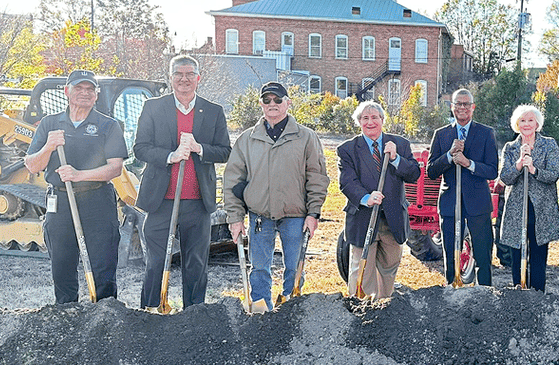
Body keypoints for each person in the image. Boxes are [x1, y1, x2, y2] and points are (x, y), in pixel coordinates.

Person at [133, 55, 231, 309]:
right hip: (160, 200)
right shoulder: (153, 107)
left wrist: (199, 148)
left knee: (195, 262)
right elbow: (140, 148)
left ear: (198, 78)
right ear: (171, 78)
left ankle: (193, 313)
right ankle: (151, 310)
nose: (184, 79)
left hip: (198, 201)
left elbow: (225, 151)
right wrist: (171, 156)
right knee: (156, 261)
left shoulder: (213, 111)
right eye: (178, 74)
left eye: (189, 74)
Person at [24, 69, 127, 303]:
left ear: (96, 95)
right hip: (60, 202)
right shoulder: (49, 124)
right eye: (79, 88)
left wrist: (79, 175)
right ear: (66, 91)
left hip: (97, 200)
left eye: (90, 89)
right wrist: (49, 146)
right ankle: (66, 312)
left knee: (103, 264)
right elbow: (31, 165)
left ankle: (104, 313)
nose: (85, 93)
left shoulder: (108, 125)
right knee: (61, 264)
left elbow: (115, 168)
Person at [223, 82, 329, 306]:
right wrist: (235, 218)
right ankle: (261, 308)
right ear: (261, 104)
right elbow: (233, 181)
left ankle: (291, 307)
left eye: (278, 99)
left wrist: (314, 213)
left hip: (296, 216)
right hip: (259, 216)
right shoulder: (247, 139)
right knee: (259, 268)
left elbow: (317, 178)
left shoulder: (306, 137)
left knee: (295, 267)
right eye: (267, 100)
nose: (272, 104)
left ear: (288, 103)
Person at [337, 100, 421, 298]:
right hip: (363, 218)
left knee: (389, 269)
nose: (370, 122)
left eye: (374, 117)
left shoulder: (400, 144)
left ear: (382, 120)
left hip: (393, 219)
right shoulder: (347, 149)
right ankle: (361, 308)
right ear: (359, 122)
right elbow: (347, 182)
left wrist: (395, 159)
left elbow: (414, 174)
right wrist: (366, 197)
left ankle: (384, 307)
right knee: (362, 269)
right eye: (365, 118)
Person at [426, 88, 498, 285]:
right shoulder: (441, 134)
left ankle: (484, 293)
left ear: (473, 107)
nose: (462, 107)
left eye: (466, 104)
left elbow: (492, 171)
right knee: (451, 255)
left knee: (482, 255)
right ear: (452, 107)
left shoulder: (486, 133)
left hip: (478, 203)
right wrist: (449, 156)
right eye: (458, 103)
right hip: (450, 203)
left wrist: (469, 164)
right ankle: (452, 291)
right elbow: (431, 171)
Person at [498, 104, 559, 292]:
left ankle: (537, 295)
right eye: (522, 120)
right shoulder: (510, 148)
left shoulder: (549, 144)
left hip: (541, 210)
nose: (526, 124)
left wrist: (534, 169)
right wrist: (519, 164)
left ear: (537, 124)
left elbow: (554, 174)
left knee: (538, 258)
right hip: (516, 211)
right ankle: (519, 294)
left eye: (530, 120)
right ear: (517, 124)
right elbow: (505, 178)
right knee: (517, 257)